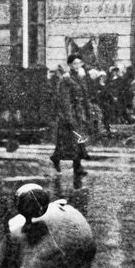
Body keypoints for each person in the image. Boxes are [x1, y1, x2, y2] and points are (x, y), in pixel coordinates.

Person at [49, 59, 86, 188]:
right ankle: (59, 159)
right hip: (68, 115)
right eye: (75, 63)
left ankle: (77, 166)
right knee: (71, 142)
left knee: (77, 141)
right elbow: (64, 99)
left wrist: (86, 110)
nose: (78, 65)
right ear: (70, 65)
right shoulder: (66, 78)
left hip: (77, 113)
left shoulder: (80, 77)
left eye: (79, 63)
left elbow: (84, 94)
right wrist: (69, 116)